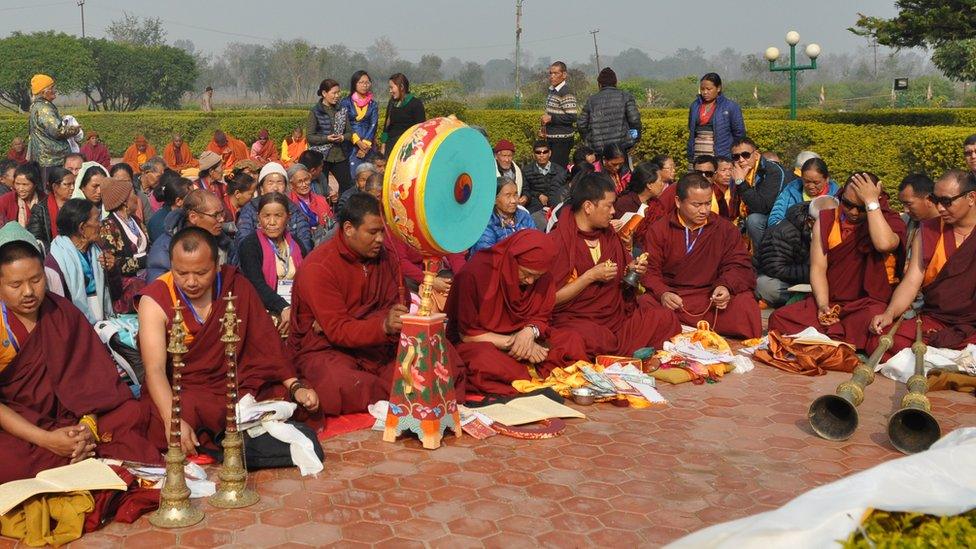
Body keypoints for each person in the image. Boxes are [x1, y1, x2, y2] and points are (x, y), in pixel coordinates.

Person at [139, 227, 319, 455]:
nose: (191, 282)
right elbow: (154, 369)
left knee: (289, 399)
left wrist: (294, 385)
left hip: (235, 381)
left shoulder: (235, 286)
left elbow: (266, 345)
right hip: (186, 388)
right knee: (163, 418)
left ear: (217, 266)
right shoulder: (155, 299)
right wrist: (171, 420)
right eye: (181, 273)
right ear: (171, 265)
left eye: (201, 273)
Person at [0, 226, 159, 484]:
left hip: (74, 416)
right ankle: (72, 454)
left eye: (36, 280)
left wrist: (88, 426)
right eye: (15, 285)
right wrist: (48, 440)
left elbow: (91, 381)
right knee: (8, 461)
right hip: (21, 427)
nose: (28, 292)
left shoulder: (62, 312)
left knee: (134, 413)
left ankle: (77, 449)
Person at [288, 193, 460, 415]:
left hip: (378, 345)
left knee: (442, 357)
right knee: (337, 383)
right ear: (348, 228)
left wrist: (385, 324)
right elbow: (338, 330)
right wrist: (382, 325)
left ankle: (391, 390)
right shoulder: (319, 266)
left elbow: (400, 303)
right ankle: (396, 391)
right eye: (372, 232)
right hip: (332, 349)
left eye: (382, 231)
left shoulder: (385, 257)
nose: (380, 239)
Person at [769, 173, 905, 350]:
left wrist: (872, 203)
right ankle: (835, 335)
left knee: (876, 327)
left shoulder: (888, 219)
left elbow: (884, 244)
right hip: (832, 300)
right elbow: (818, 268)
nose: (854, 212)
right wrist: (823, 305)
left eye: (861, 207)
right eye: (848, 204)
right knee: (779, 319)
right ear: (840, 197)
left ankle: (830, 337)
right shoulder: (827, 220)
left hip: (865, 304)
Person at [550, 172, 681, 356]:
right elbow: (551, 299)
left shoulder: (609, 234)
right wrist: (589, 276)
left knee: (664, 318)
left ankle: (616, 352)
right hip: (579, 319)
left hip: (615, 316)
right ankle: (623, 350)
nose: (613, 212)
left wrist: (633, 271)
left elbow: (625, 286)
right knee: (584, 338)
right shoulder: (558, 240)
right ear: (588, 206)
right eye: (609, 205)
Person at [446, 230, 588, 395]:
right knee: (481, 361)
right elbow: (468, 335)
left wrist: (530, 332)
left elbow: (541, 317)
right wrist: (517, 342)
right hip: (486, 343)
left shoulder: (543, 278)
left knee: (572, 341)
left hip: (528, 339)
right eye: (527, 274)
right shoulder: (475, 273)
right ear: (512, 260)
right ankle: (534, 378)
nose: (530, 281)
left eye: (537, 276)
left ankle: (528, 377)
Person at [641, 173, 762, 339]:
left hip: (711, 297)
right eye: (697, 205)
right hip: (675, 299)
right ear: (678, 202)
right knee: (645, 305)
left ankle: (679, 329)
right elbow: (649, 271)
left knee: (746, 304)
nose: (704, 210)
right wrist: (663, 293)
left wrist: (725, 286)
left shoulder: (724, 229)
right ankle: (676, 326)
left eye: (707, 203)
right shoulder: (660, 230)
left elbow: (739, 264)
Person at [870, 169, 976, 355]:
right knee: (882, 340)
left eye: (947, 201)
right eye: (936, 200)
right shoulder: (929, 231)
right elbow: (911, 281)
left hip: (973, 324)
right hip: (936, 319)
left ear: (971, 198)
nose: (940, 208)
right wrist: (889, 313)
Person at [239, 192, 308, 337]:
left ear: (288, 217)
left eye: (278, 216)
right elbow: (256, 284)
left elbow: (309, 278)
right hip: (266, 311)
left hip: (296, 311)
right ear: (258, 217)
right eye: (266, 216)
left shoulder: (295, 243)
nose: (271, 222)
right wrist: (283, 307)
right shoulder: (250, 245)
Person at [45, 199, 117, 324]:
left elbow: (115, 295)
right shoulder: (55, 262)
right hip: (75, 324)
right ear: (82, 228)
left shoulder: (98, 251)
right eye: (96, 219)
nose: (101, 224)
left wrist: (112, 271)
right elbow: (58, 309)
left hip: (103, 322)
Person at [754, 199, 828, 307]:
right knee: (766, 286)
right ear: (811, 221)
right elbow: (776, 268)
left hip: (808, 278)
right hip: (779, 278)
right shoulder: (783, 232)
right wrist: (814, 272)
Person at [147, 190, 232, 281]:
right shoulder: (165, 248)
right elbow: (160, 289)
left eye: (222, 213)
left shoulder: (223, 241)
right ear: (193, 217)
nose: (222, 219)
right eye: (216, 215)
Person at [235, 162, 314, 256]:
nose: (275, 188)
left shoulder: (293, 209)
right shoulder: (250, 209)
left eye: (280, 182)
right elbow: (244, 240)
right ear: (261, 188)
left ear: (285, 187)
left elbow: (305, 240)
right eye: (270, 182)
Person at [730, 137, 788, 246]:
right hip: (750, 215)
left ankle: (764, 256)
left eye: (746, 155)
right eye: (736, 157)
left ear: (756, 155)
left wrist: (741, 183)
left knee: (754, 220)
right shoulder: (737, 171)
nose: (741, 160)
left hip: (780, 217)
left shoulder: (771, 171)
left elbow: (762, 207)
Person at [578, 67, 641, 155]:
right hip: (622, 147)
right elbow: (634, 120)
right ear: (615, 83)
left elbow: (581, 124)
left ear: (599, 84)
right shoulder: (625, 97)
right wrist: (634, 139)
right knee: (622, 168)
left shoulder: (591, 100)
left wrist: (589, 140)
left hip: (599, 148)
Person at [308, 79, 354, 197]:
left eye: (338, 92)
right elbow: (310, 137)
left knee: (347, 185)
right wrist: (326, 138)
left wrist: (343, 137)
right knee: (322, 188)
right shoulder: (315, 111)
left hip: (340, 155)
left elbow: (350, 132)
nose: (337, 96)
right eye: (334, 93)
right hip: (321, 157)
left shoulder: (342, 110)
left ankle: (342, 210)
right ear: (324, 93)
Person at [27, 74, 82, 172]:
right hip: (51, 159)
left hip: (47, 158)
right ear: (44, 91)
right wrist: (75, 129)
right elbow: (57, 131)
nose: (54, 90)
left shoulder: (39, 106)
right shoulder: (44, 109)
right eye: (52, 88)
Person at [99, 177, 149, 282]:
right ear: (125, 202)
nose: (137, 198)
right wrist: (145, 260)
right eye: (134, 194)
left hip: (147, 278)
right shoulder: (108, 226)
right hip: (126, 286)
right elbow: (111, 262)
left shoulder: (136, 220)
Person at [686, 73, 746, 161]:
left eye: (709, 89)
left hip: (721, 156)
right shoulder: (695, 105)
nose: (705, 92)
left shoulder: (730, 106)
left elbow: (739, 134)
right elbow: (691, 130)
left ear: (718, 88)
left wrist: (733, 154)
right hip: (697, 156)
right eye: (702, 89)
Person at [767, 157, 839, 227]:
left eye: (816, 182)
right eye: (806, 181)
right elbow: (774, 219)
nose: (811, 186)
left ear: (827, 179)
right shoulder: (791, 189)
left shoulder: (837, 195)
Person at [472, 177, 535, 254]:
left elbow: (536, 241)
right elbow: (487, 255)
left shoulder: (524, 215)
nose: (514, 201)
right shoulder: (486, 222)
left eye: (515, 194)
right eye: (508, 196)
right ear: (495, 199)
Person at [341, 70, 380, 177]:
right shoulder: (346, 102)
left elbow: (374, 124)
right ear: (355, 84)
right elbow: (345, 124)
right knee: (353, 176)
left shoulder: (373, 104)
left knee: (370, 176)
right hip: (351, 145)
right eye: (361, 82)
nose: (365, 85)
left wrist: (365, 145)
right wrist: (358, 142)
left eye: (367, 82)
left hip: (368, 147)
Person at [27, 167, 74, 249]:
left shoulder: (76, 206)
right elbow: (36, 239)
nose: (72, 188)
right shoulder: (40, 210)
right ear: (55, 187)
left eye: (73, 184)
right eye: (67, 184)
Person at [542, 61, 578, 168]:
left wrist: (551, 119)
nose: (552, 76)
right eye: (551, 73)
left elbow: (572, 116)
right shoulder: (552, 91)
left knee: (558, 170)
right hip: (552, 138)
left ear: (564, 75)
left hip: (562, 140)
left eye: (556, 73)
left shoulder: (566, 92)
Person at [379, 73, 426, 156]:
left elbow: (421, 129)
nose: (390, 91)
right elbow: (386, 127)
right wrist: (383, 146)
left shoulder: (415, 104)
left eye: (392, 87)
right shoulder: (392, 103)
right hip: (391, 146)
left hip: (407, 148)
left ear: (401, 87)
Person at [521, 140, 567, 215]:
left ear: (550, 153)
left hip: (554, 204)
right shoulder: (526, 171)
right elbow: (525, 190)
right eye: (538, 152)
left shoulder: (560, 170)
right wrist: (538, 195)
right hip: (534, 204)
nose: (541, 155)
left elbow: (562, 190)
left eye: (545, 152)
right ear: (533, 154)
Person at [898, 174, 940, 254]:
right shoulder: (905, 222)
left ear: (929, 199)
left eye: (909, 204)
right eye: (903, 204)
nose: (905, 210)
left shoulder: (948, 226)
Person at [289, 163, 334, 235]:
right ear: (291, 184)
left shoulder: (321, 200)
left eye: (306, 180)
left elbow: (331, 223)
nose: (304, 185)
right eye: (300, 182)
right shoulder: (289, 204)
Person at [148, 172, 191, 243]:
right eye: (191, 196)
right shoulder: (162, 224)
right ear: (179, 201)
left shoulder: (181, 215)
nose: (195, 199)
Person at [0, 162, 43, 228]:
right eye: (17, 184)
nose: (20, 189)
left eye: (25, 184)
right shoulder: (5, 200)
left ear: (35, 185)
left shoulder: (44, 200)